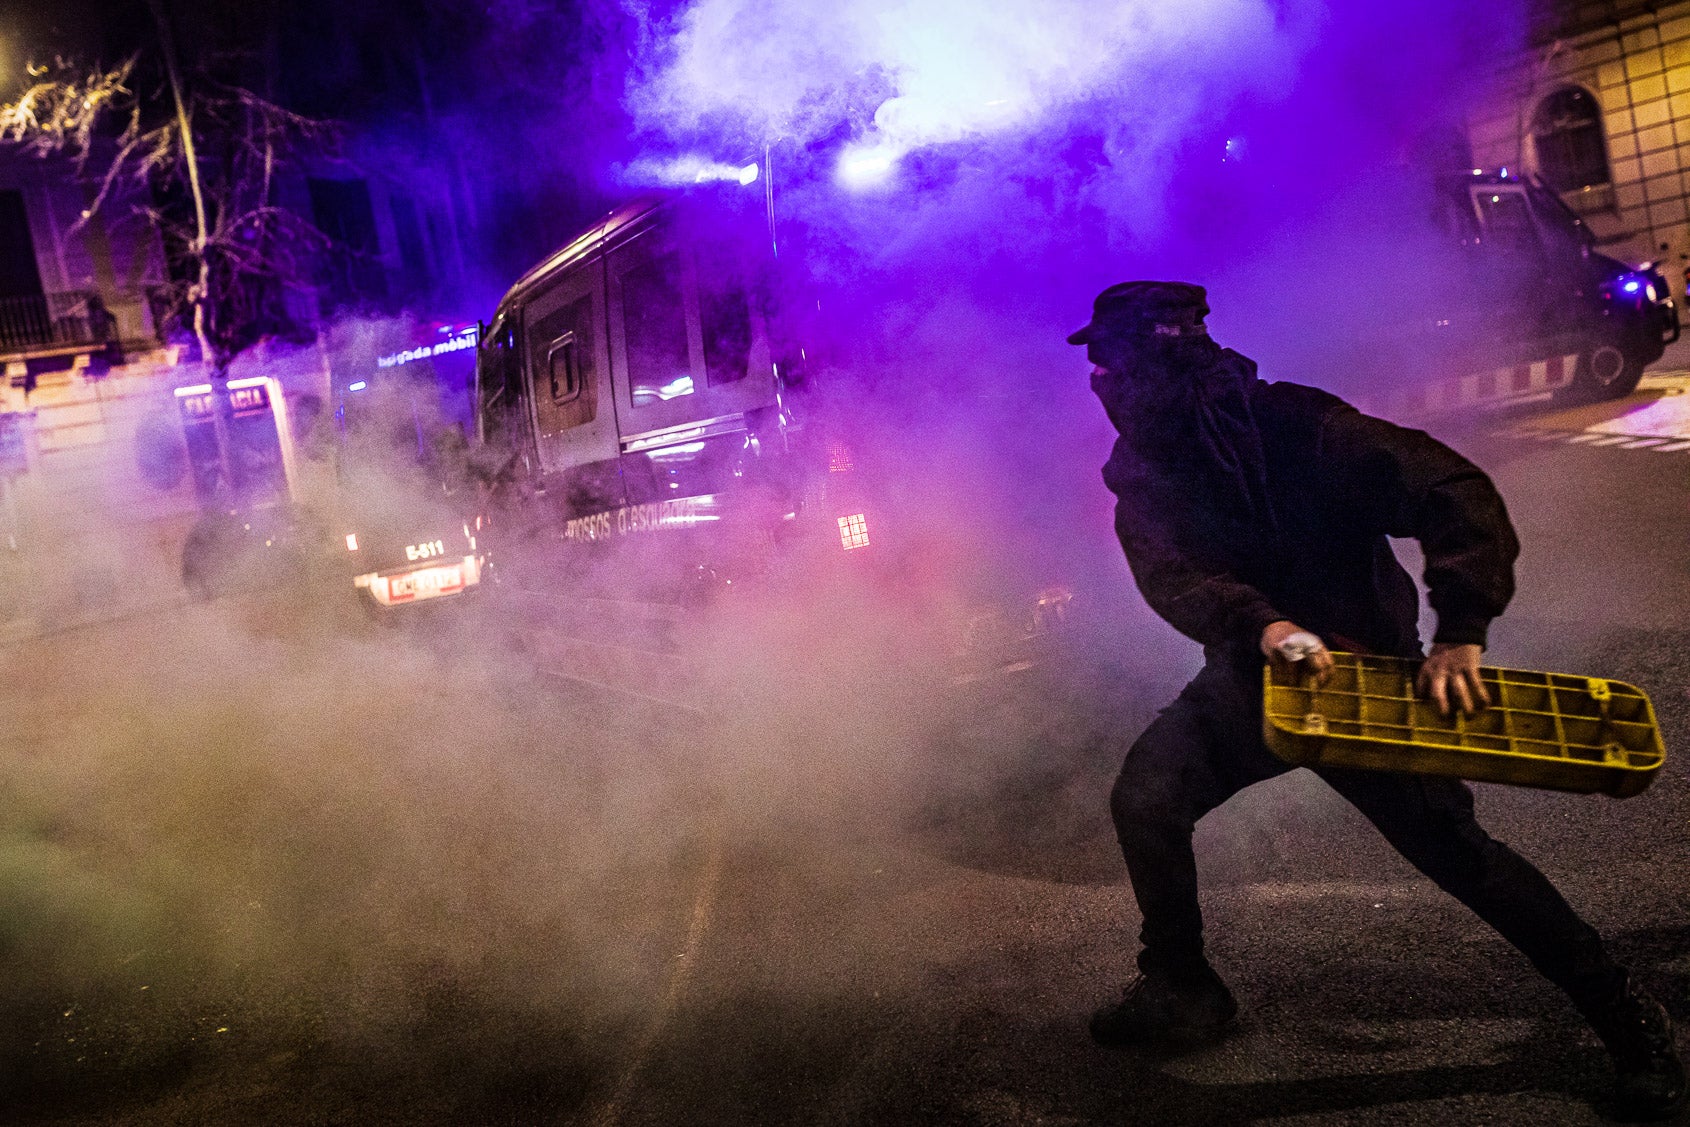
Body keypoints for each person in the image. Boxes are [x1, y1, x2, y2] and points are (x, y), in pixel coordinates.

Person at [1070, 281, 1684, 1120]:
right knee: (1147, 795)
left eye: (1108, 360)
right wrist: (1264, 624)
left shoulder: (1300, 427)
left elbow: (1452, 490)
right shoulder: (1142, 466)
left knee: (1460, 856)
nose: (1098, 379)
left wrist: (1461, 628)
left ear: (1157, 357)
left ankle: (1626, 1017)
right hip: (1256, 680)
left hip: (1367, 685)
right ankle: (1182, 986)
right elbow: (1171, 573)